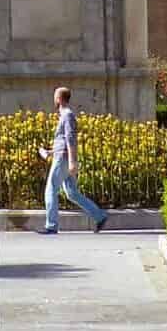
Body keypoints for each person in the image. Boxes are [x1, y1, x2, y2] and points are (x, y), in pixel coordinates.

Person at [40, 87, 107, 235]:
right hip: (62, 155)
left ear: (59, 99)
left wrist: (72, 161)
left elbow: (71, 139)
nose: (54, 99)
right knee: (71, 193)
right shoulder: (64, 115)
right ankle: (100, 216)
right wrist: (50, 152)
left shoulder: (67, 115)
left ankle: (51, 225)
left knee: (51, 189)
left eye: (55, 96)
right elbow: (64, 141)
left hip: (63, 159)